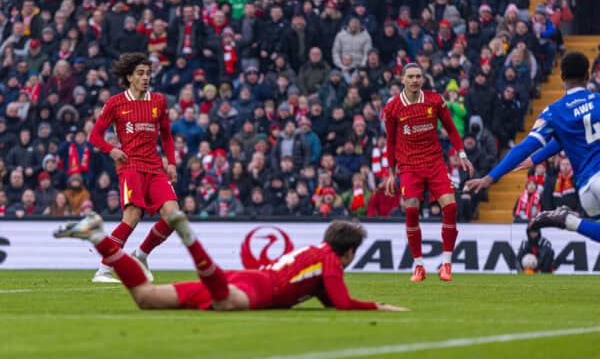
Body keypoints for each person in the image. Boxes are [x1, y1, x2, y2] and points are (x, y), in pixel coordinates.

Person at [54, 214, 407, 312]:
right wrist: (377, 306)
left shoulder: (316, 254)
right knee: (223, 301)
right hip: (255, 288)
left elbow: (328, 298)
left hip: (251, 278)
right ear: (348, 252)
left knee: (145, 297)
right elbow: (343, 303)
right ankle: (186, 234)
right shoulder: (330, 258)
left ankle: (97, 236)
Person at [466, 52, 600, 243]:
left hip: (586, 190)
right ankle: (568, 221)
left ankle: (570, 222)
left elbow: (525, 147)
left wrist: (490, 177)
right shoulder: (598, 101)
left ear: (561, 77)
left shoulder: (553, 112)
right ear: (588, 75)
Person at [88, 52, 179, 283]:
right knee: (132, 215)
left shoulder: (158, 101)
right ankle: (104, 270)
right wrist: (112, 150)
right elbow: (95, 136)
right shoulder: (116, 103)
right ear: (129, 77)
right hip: (131, 166)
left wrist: (172, 163)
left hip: (156, 167)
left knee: (174, 216)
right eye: (140, 73)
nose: (146, 77)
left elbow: (167, 137)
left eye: (148, 73)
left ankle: (141, 254)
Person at [383, 63, 473, 282]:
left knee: (451, 206)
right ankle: (419, 266)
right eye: (411, 76)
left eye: (418, 77)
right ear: (402, 79)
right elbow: (391, 141)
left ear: (423, 79)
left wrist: (462, 154)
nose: (415, 80)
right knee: (411, 211)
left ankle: (446, 264)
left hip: (434, 162)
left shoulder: (435, 100)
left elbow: (451, 128)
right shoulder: (393, 108)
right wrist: (390, 173)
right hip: (409, 165)